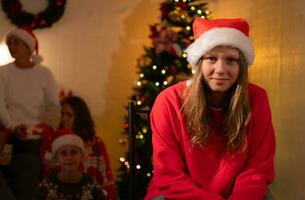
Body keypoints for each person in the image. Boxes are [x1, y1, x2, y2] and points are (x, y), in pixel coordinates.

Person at [145, 18, 276, 200]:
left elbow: (257, 168)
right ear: (199, 63)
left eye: (231, 60)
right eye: (211, 58)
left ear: (241, 67)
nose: (220, 69)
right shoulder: (169, 101)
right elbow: (169, 176)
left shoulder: (257, 98)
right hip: (178, 194)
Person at [0, 26, 61, 200]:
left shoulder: (44, 73)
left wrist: (47, 127)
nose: (12, 46)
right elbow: (0, 105)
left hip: (37, 137)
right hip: (10, 135)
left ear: (28, 46)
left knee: (29, 180)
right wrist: (13, 126)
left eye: (16, 42)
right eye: (10, 43)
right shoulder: (3, 72)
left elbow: (53, 106)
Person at [59, 96, 117, 200]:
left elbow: (106, 179)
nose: (64, 119)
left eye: (69, 115)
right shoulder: (57, 143)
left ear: (79, 117)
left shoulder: (96, 144)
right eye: (62, 114)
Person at [33, 128, 106, 200]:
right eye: (63, 153)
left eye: (74, 152)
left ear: (81, 155)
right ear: (57, 158)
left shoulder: (93, 188)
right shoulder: (45, 188)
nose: (69, 157)